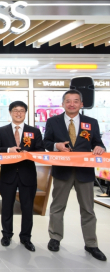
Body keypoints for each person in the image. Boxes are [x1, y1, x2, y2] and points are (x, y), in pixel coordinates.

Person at [44, 89, 107, 261]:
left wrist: (100, 148)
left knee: (88, 209)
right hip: (62, 171)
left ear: (81, 104)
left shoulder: (91, 122)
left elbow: (98, 143)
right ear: (63, 104)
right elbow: (46, 142)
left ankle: (91, 244)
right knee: (57, 207)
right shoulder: (53, 121)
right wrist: (57, 146)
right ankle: (55, 238)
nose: (72, 104)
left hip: (84, 172)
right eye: (68, 101)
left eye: (75, 101)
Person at [0, 101, 43, 252]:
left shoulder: (34, 131)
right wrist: (8, 150)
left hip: (27, 175)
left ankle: (26, 238)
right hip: (8, 174)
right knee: (6, 207)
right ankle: (6, 235)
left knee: (27, 208)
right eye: (15, 110)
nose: (18, 113)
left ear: (26, 113)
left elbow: (41, 150)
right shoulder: (2, 131)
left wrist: (30, 154)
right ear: (10, 112)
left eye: (21, 111)